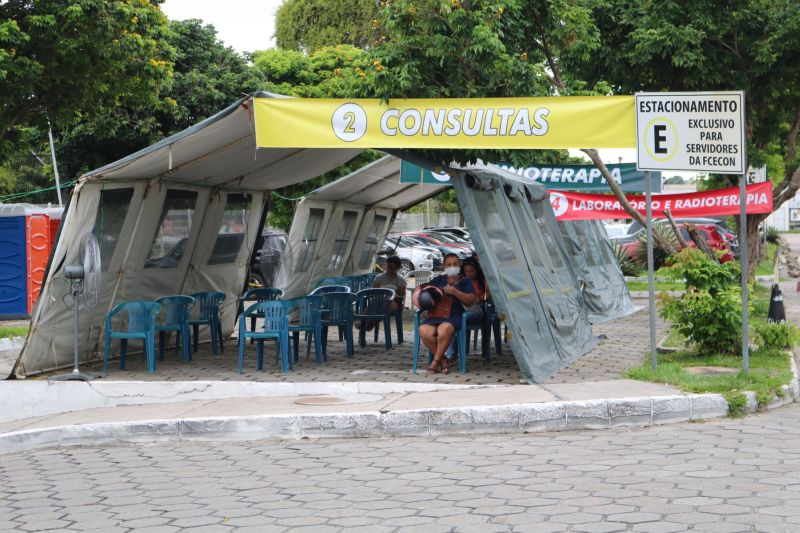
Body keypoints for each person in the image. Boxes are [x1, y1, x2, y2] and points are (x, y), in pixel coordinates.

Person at [416, 253, 475, 374]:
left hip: (454, 316)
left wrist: (455, 292)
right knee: (423, 330)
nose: (452, 267)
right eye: (449, 264)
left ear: (459, 265)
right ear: (444, 266)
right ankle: (443, 360)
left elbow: (471, 300)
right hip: (435, 315)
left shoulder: (465, 281)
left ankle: (435, 362)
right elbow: (424, 291)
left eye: (455, 264)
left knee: (444, 329)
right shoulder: (439, 280)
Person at [362, 256, 406, 331]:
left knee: (383, 306)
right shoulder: (379, 278)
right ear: (386, 265)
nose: (390, 270)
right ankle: (365, 326)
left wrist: (395, 295)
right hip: (379, 300)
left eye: (393, 268)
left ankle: (366, 326)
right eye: (389, 266)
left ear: (397, 269)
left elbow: (402, 295)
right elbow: (373, 292)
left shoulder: (400, 279)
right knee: (369, 308)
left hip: (394, 302)